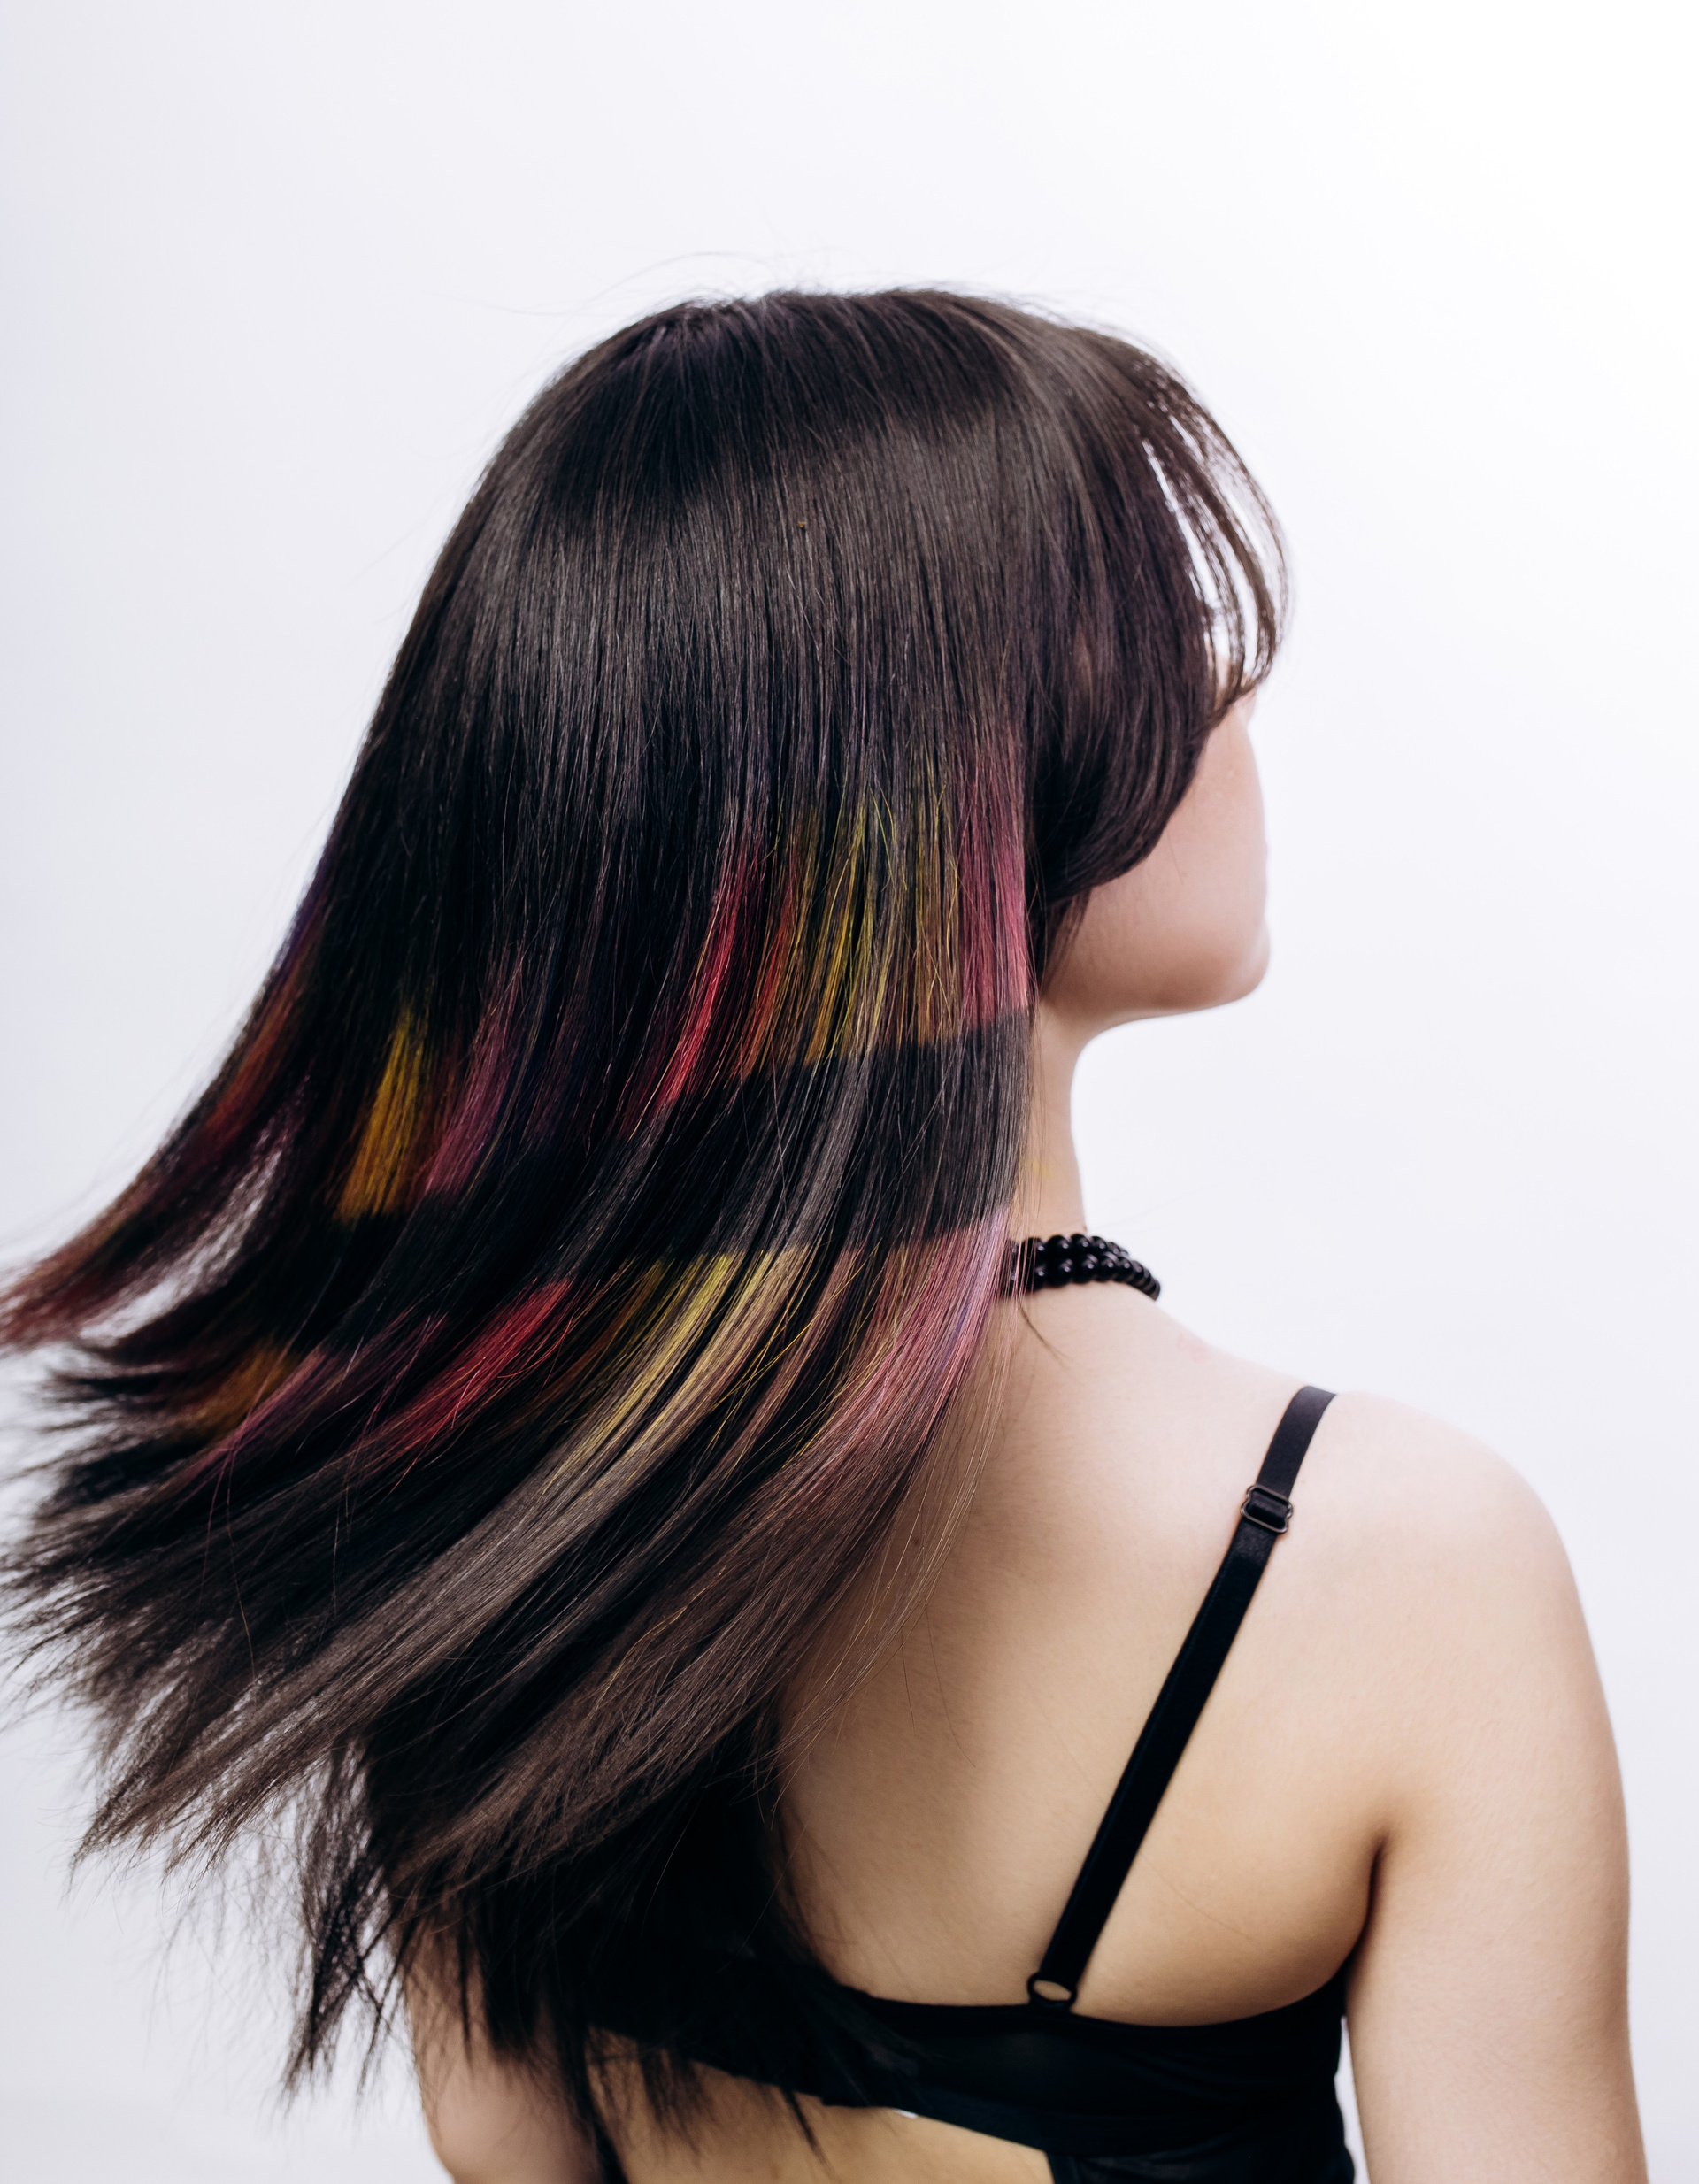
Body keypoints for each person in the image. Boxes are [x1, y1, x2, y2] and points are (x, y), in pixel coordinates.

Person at [1, 292, 1643, 2184]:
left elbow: (503, 2139)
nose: (1234, 693)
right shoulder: (1397, 1563)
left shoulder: (456, 1484)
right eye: (1162, 632)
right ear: (958, 787)